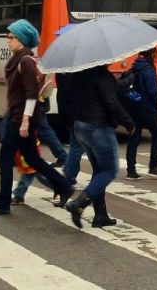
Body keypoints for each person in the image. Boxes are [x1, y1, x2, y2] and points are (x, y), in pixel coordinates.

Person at [0, 19, 73, 217]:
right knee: (32, 158)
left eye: (11, 37)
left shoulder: (25, 62)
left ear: (21, 40)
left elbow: (31, 94)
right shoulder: (19, 60)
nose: (7, 39)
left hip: (21, 120)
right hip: (20, 118)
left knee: (5, 160)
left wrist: (24, 121)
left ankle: (3, 203)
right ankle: (64, 186)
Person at [64, 62, 135, 229]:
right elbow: (112, 103)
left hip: (80, 126)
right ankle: (79, 203)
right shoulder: (104, 76)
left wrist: (124, 79)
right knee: (110, 171)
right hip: (98, 127)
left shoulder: (80, 73)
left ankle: (100, 215)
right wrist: (129, 123)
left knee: (99, 171)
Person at [11, 96, 69, 205]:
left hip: (28, 122)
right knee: (34, 166)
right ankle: (60, 185)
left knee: (32, 167)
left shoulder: (30, 89)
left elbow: (31, 96)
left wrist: (24, 119)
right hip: (25, 121)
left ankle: (19, 195)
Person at [125, 48, 157, 181]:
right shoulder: (148, 70)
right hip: (147, 108)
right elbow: (152, 91)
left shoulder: (135, 66)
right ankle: (153, 167)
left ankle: (131, 171)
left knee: (134, 138)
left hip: (134, 107)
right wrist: (156, 102)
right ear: (152, 54)